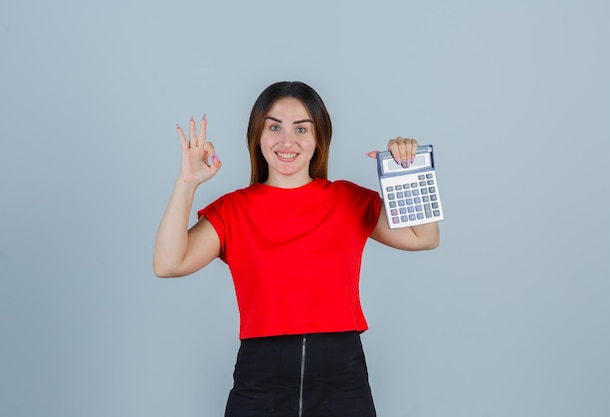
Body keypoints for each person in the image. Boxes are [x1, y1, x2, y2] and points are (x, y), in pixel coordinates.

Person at [153, 81, 439, 417]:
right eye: (274, 127)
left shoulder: (348, 200)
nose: (287, 141)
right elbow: (168, 263)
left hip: (342, 379)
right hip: (259, 380)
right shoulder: (233, 210)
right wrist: (186, 184)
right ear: (257, 137)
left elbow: (424, 237)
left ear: (318, 140)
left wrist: (409, 170)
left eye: (301, 129)